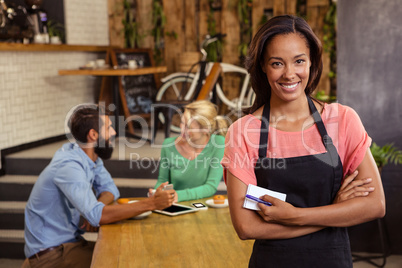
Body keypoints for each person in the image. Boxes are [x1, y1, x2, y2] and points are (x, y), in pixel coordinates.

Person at [221, 15, 385, 267]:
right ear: (263, 66)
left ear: (311, 63)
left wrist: (295, 216)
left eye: (299, 61)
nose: (289, 74)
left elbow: (374, 205)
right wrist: (333, 211)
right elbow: (246, 227)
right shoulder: (243, 132)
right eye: (277, 63)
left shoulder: (342, 120)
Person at [24, 104, 175, 268]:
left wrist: (97, 209)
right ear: (93, 134)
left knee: (125, 252)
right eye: (109, 128)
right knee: (126, 262)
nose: (114, 133)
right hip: (51, 255)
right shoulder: (69, 166)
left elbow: (111, 190)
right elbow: (98, 216)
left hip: (70, 245)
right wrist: (152, 203)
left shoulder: (90, 157)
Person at [153, 100, 228, 202]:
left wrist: (177, 196)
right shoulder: (168, 145)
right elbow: (162, 181)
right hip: (173, 204)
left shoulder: (219, 144)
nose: (182, 130)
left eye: (188, 127)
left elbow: (210, 187)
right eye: (182, 123)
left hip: (201, 206)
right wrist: (156, 192)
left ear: (206, 129)